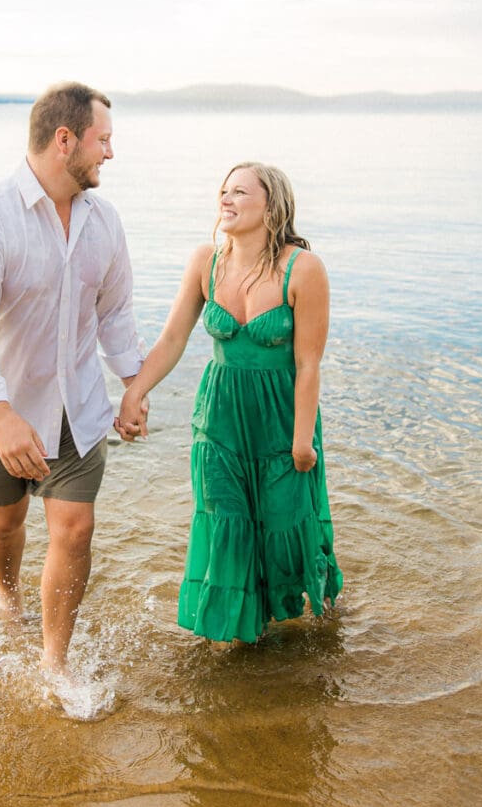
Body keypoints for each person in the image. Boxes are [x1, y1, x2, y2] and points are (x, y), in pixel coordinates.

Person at [0, 81, 144, 674]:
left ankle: (54, 664)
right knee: (4, 524)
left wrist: (132, 386)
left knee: (75, 528)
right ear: (65, 141)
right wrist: (0, 415)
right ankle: (9, 597)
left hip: (77, 406)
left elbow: (115, 316)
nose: (110, 153)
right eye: (102, 140)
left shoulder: (105, 223)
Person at [116, 162, 342, 643]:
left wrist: (303, 442)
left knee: (285, 526)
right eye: (223, 190)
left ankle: (312, 630)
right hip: (219, 419)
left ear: (271, 205)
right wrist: (135, 391)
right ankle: (238, 637)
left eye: (239, 192)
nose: (226, 199)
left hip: (283, 420)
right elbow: (173, 338)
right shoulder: (206, 261)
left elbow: (308, 366)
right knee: (225, 522)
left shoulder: (303, 269)